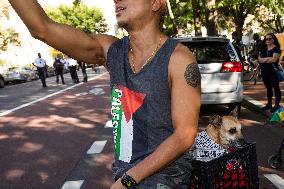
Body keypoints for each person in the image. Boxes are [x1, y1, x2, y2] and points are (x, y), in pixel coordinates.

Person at [8, 0, 201, 188]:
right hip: (124, 175)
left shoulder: (178, 59)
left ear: (156, 3)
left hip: (165, 176)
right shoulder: (112, 51)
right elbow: (42, 28)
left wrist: (128, 180)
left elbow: (185, 135)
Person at [258, 33, 281, 113]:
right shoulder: (263, 48)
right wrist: (268, 59)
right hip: (264, 72)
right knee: (268, 89)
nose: (268, 40)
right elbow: (259, 59)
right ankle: (269, 104)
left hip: (273, 72)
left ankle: (277, 105)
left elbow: (274, 60)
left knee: (276, 88)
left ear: (273, 39)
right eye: (266, 39)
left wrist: (264, 60)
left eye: (270, 38)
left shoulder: (276, 49)